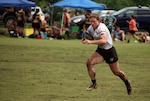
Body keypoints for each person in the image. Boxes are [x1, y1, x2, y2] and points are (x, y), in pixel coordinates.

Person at [81, 13, 132, 95]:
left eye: (94, 21)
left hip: (109, 51)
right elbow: (88, 35)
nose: (92, 23)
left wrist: (90, 42)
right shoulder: (91, 27)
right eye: (91, 21)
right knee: (89, 63)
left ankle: (127, 82)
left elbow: (103, 41)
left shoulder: (102, 28)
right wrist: (84, 38)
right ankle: (94, 84)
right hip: (101, 50)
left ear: (99, 21)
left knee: (116, 72)